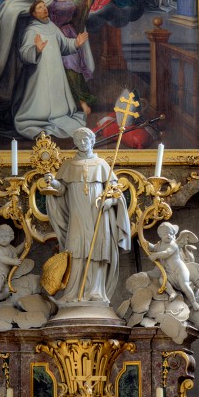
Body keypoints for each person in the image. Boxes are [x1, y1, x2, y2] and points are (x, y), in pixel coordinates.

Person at [44, 126, 132, 307]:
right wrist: (53, 182)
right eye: (79, 141)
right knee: (75, 249)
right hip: (77, 214)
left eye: (85, 140)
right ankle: (73, 292)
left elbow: (116, 193)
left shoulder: (102, 165)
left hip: (98, 214)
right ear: (75, 143)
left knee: (98, 250)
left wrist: (110, 202)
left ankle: (96, 292)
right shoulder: (68, 165)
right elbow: (61, 191)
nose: (82, 143)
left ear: (92, 141)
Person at [14, 0, 89, 138]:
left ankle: (57, 113)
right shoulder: (31, 30)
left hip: (56, 70)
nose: (44, 9)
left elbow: (64, 44)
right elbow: (23, 53)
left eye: (44, 6)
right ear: (34, 14)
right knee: (41, 106)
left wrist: (76, 43)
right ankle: (40, 116)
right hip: (40, 74)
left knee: (59, 105)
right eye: (40, 7)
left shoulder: (52, 26)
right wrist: (36, 50)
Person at [48, 0, 95, 116]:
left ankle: (83, 102)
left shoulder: (72, 4)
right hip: (53, 36)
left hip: (67, 34)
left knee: (72, 68)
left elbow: (57, 13)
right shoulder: (55, 0)